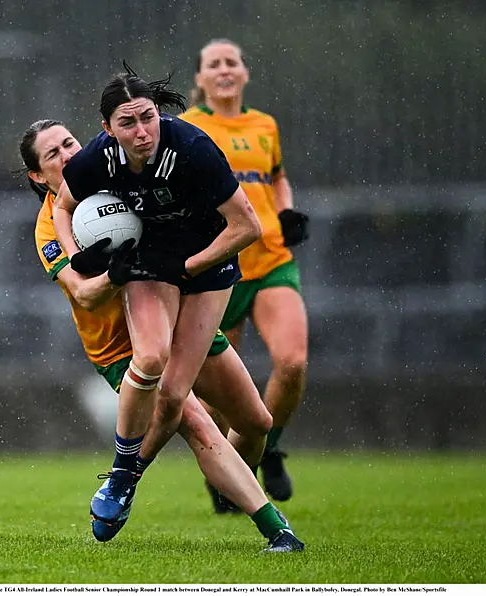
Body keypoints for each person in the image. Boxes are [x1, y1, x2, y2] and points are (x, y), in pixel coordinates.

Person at [20, 119, 304, 553]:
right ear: (38, 176)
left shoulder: (119, 182)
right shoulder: (49, 228)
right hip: (120, 347)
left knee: (255, 422)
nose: (68, 155)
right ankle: (276, 529)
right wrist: (116, 270)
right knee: (194, 421)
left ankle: (140, 477)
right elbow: (85, 295)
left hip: (180, 321)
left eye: (69, 143)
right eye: (53, 154)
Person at [52, 65, 263, 529]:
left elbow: (248, 227)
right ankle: (125, 480)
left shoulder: (192, 149)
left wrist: (186, 267)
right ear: (108, 129)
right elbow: (63, 207)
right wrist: (76, 257)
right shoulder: (96, 160)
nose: (142, 131)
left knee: (256, 425)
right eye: (127, 123)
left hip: (208, 266)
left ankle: (226, 485)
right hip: (154, 268)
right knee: (163, 382)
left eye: (147, 117)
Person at [180, 40, 310, 506]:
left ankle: (267, 450)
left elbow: (275, 176)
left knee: (292, 363)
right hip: (219, 268)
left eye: (231, 62)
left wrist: (287, 209)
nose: (223, 70)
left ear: (245, 72)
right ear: (199, 80)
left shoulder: (264, 125)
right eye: (213, 64)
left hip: (272, 260)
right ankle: (230, 474)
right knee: (217, 398)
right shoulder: (188, 127)